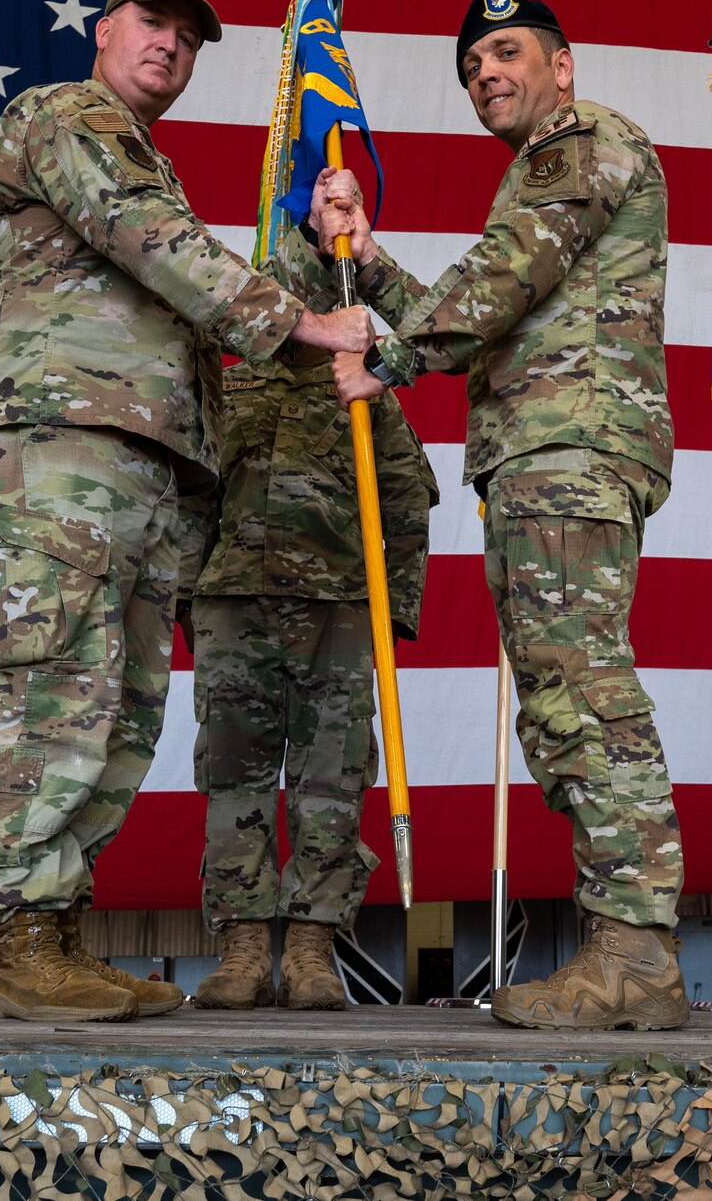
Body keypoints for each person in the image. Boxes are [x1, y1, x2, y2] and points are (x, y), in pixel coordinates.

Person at [0, 0, 375, 1024]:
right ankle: (17, 937)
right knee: (57, 684)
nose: (170, 47)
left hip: (145, 468)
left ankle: (52, 934)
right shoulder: (65, 117)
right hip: (65, 450)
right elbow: (156, 246)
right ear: (104, 29)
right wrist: (314, 325)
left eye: (189, 39)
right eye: (153, 25)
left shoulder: (149, 160)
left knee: (120, 706)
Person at [315, 0, 687, 1031]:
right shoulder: (536, 174)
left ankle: (634, 956)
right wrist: (369, 257)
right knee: (561, 698)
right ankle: (627, 952)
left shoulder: (581, 143)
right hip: (538, 453)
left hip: (570, 449)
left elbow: (501, 281)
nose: (485, 71)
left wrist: (386, 361)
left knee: (583, 695)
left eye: (507, 51)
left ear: (561, 66)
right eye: (471, 61)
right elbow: (484, 309)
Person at [186, 229, 438, 1012]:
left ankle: (311, 946)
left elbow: (405, 501)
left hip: (337, 609)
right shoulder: (228, 391)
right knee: (234, 776)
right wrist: (188, 597)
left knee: (331, 782)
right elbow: (195, 498)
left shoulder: (361, 394)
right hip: (234, 604)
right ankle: (243, 946)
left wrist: (391, 617)